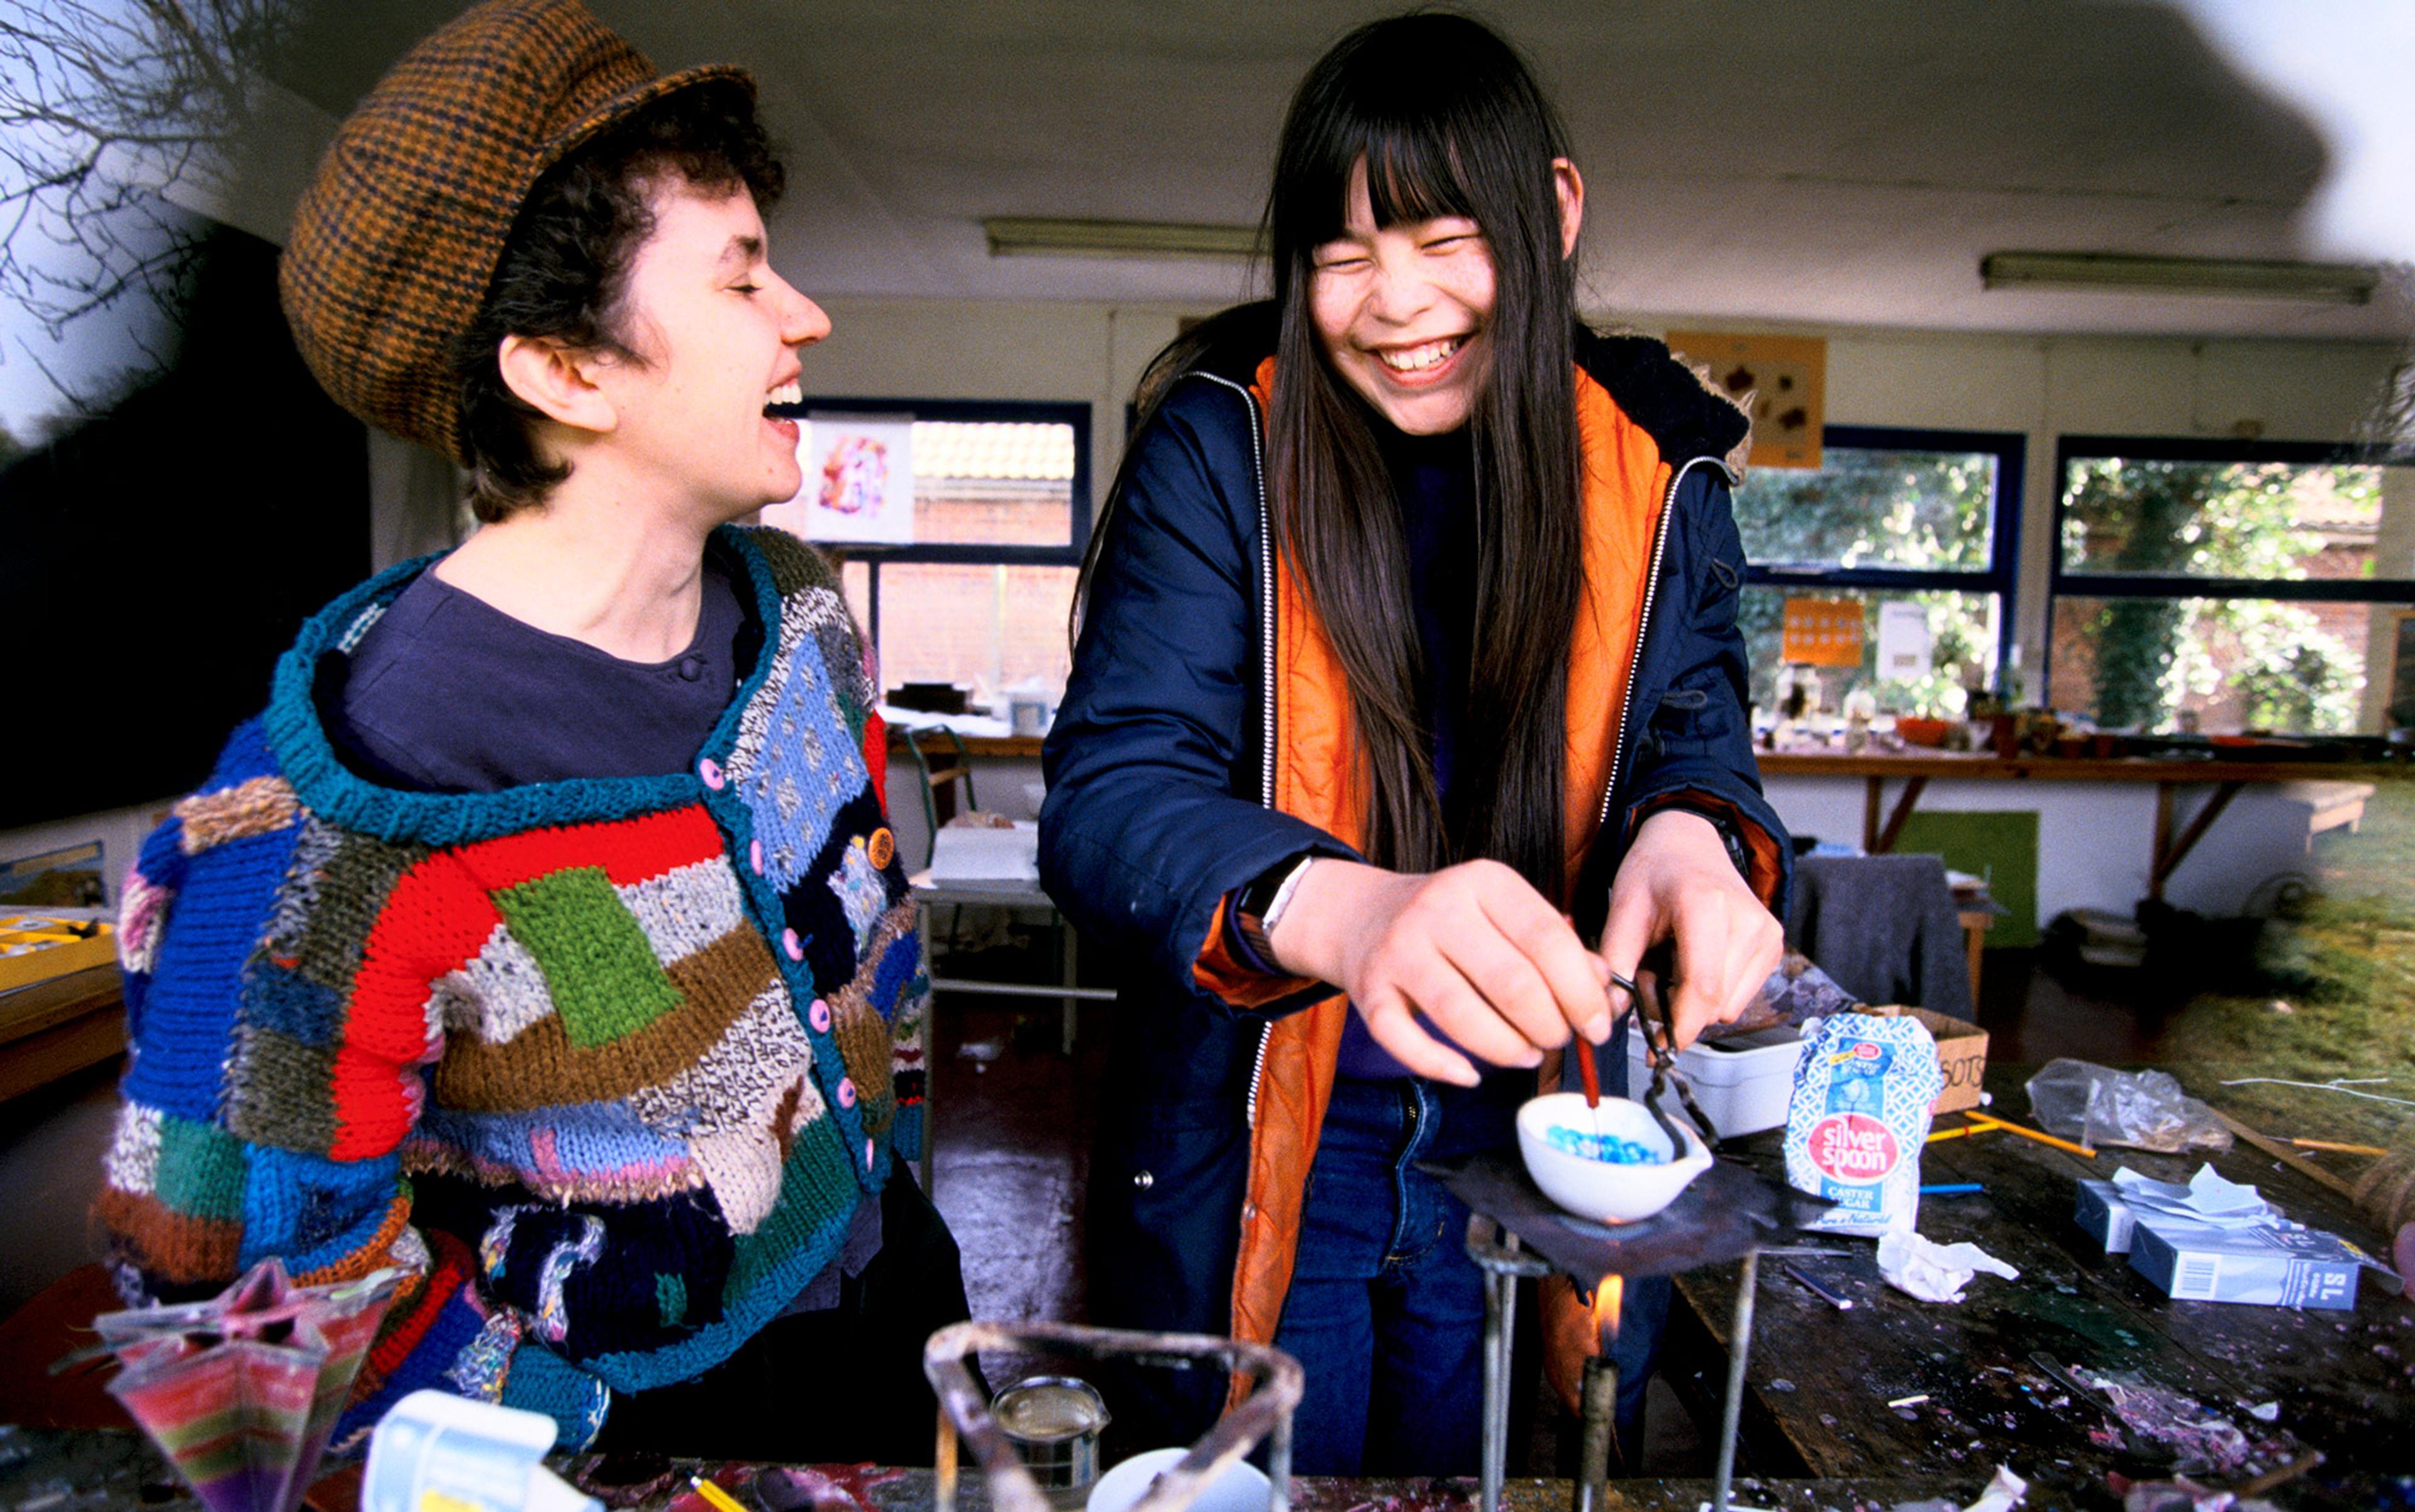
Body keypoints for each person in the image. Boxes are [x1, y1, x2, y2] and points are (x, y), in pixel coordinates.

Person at [93, 0, 966, 1462]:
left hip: (896, 1313)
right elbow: (223, 1302)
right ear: (565, 371)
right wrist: (565, 1437)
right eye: (744, 276)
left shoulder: (801, 616)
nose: (805, 314)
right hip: (626, 1426)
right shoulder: (350, 803)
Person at [1040, 13, 1790, 1476]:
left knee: (1500, 1466)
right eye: (1340, 254)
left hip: (1539, 1145)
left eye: (1447, 238)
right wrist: (1353, 905)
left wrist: (1693, 833)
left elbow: (1695, 728)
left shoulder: (1658, 463)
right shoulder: (1225, 444)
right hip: (1263, 1136)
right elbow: (1113, 791)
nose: (1395, 304)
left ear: (1554, 213)